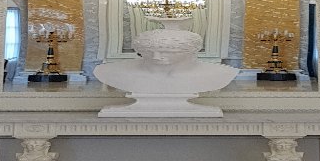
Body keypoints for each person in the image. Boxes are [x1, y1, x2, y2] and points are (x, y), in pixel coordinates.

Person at [93, 29, 237, 95]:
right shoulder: (108, 71)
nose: (156, 57)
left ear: (190, 51)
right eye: (148, 52)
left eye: (168, 52)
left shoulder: (221, 73)